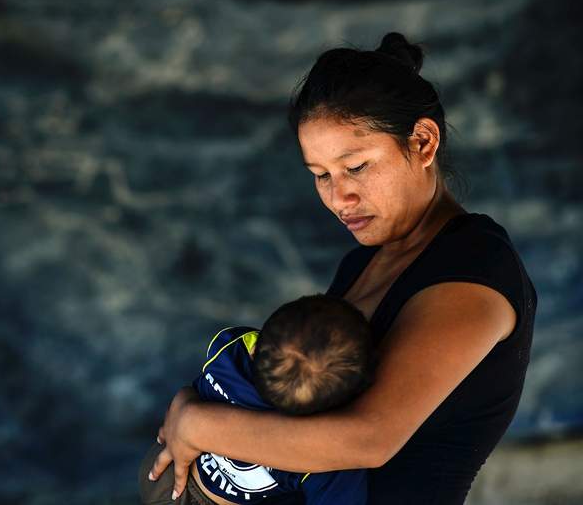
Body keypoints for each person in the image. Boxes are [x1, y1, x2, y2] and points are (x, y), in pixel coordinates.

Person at [147, 32, 537, 505]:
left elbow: (368, 439)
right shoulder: (362, 262)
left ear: (423, 141)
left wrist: (200, 424)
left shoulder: (475, 267)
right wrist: (195, 399)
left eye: (356, 167)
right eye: (320, 175)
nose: (339, 197)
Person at [139, 294, 372, 505]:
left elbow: (198, 386)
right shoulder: (320, 456)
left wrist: (185, 399)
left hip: (164, 465)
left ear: (255, 348)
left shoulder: (231, 353)